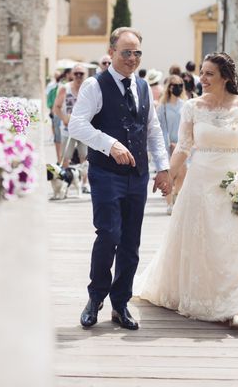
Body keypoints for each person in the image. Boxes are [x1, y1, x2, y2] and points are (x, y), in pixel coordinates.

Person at [136, 52, 238, 329]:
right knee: (206, 243)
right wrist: (168, 175)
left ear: (225, 78)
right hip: (201, 182)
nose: (201, 79)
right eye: (202, 73)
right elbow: (183, 147)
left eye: (209, 74)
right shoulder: (192, 107)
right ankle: (211, 298)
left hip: (235, 182)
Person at [69, 27, 172, 330]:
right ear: (111, 51)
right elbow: (76, 125)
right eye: (126, 52)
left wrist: (163, 168)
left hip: (137, 176)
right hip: (105, 173)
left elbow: (152, 130)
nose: (132, 58)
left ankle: (120, 303)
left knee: (130, 242)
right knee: (109, 234)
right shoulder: (94, 85)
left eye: (137, 52)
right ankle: (96, 296)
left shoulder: (142, 87)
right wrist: (109, 144)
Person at [54, 63, 90, 192]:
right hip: (67, 129)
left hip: (84, 129)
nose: (79, 76)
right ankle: (66, 183)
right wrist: (64, 118)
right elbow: (56, 107)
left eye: (81, 73)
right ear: (71, 75)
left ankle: (85, 184)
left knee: (84, 157)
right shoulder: (65, 88)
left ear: (85, 75)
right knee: (66, 158)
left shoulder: (89, 88)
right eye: (76, 73)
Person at [156, 75, 187, 215]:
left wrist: (182, 143)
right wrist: (167, 144)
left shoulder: (186, 105)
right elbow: (160, 128)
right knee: (169, 175)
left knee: (182, 173)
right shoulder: (162, 107)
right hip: (167, 144)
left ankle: (176, 194)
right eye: (174, 85)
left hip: (182, 144)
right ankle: (169, 203)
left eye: (180, 84)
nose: (177, 87)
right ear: (169, 87)